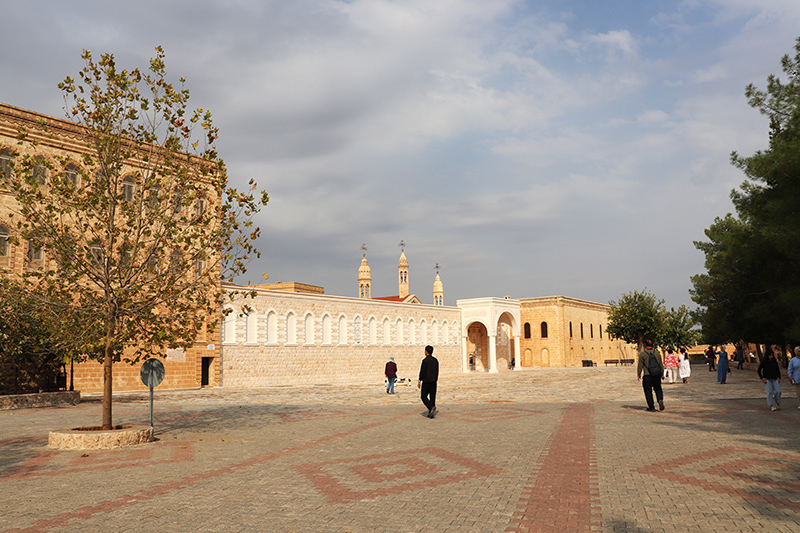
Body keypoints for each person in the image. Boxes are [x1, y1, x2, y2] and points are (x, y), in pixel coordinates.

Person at [637, 339, 665, 412]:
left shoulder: (642, 354)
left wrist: (639, 374)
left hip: (647, 375)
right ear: (652, 345)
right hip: (656, 375)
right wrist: (662, 373)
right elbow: (660, 364)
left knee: (648, 391)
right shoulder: (657, 353)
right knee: (658, 388)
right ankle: (660, 399)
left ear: (645, 345)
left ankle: (651, 407)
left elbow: (640, 365)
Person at [418, 345, 439, 418]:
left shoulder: (425, 361)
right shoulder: (435, 360)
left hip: (426, 381)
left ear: (426, 352)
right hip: (434, 381)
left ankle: (431, 408)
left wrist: (420, 380)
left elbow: (422, 371)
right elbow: (437, 371)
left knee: (423, 396)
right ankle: (431, 413)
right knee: (432, 397)